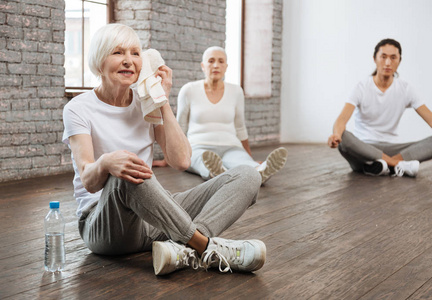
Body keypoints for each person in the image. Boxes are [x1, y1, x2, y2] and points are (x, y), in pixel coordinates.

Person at [62, 24, 266, 276]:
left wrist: (163, 101)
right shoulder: (78, 108)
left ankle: (183, 251)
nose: (128, 61)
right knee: (126, 168)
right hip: (105, 226)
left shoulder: (146, 103)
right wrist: (106, 163)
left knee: (248, 175)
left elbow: (181, 160)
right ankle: (207, 248)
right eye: (118, 53)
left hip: (153, 218)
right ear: (99, 60)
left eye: (135, 53)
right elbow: (89, 181)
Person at [328, 38, 432, 177]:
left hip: (394, 148)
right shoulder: (361, 87)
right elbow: (342, 119)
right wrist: (336, 135)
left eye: (393, 58)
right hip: (363, 148)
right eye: (383, 57)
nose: (387, 62)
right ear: (374, 59)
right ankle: (397, 166)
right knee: (344, 138)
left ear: (399, 60)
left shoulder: (406, 89)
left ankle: (382, 165)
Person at [176, 46, 288, 184]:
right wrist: (170, 157)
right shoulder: (189, 90)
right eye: (211, 61)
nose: (216, 65)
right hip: (198, 147)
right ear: (203, 66)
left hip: (230, 146)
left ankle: (259, 170)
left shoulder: (236, 91)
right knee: (201, 162)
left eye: (221, 61)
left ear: (226, 66)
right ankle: (217, 172)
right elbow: (179, 127)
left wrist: (249, 158)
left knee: (243, 162)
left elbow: (240, 127)